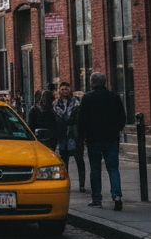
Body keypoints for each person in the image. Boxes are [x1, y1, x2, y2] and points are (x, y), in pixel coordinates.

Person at [77, 72, 126, 210]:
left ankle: (96, 198)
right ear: (105, 82)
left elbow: (82, 120)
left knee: (95, 169)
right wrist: (116, 130)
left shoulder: (87, 98)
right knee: (113, 169)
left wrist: (83, 137)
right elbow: (122, 117)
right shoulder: (114, 97)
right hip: (111, 138)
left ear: (92, 82)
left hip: (94, 139)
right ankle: (117, 196)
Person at [53, 81, 85, 192]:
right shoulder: (56, 104)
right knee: (64, 161)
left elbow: (79, 119)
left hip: (75, 135)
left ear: (70, 90)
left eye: (66, 89)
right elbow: (57, 120)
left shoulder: (76, 103)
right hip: (63, 136)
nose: (64, 91)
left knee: (79, 160)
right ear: (59, 91)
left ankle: (82, 185)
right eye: (62, 89)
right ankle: (65, 183)